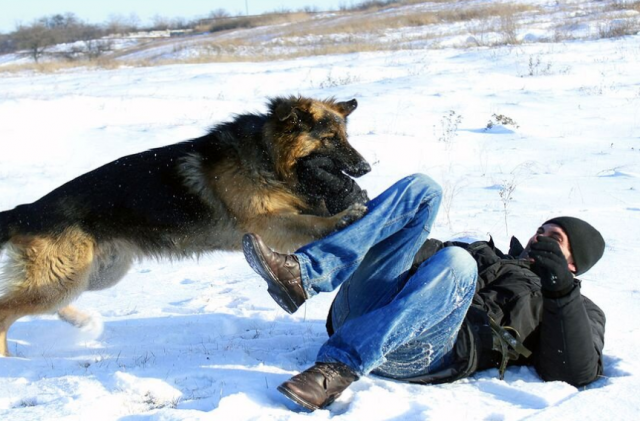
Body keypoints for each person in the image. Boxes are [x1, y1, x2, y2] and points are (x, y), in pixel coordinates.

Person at [242, 172, 606, 412]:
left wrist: (560, 290)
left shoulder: (577, 307)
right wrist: (379, 226)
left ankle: (338, 368)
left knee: (456, 262)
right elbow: (414, 253)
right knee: (423, 190)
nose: (539, 237)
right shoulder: (486, 253)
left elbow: (577, 372)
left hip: (424, 352)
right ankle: (304, 275)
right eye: (541, 230)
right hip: (362, 315)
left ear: (574, 263)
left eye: (554, 238)